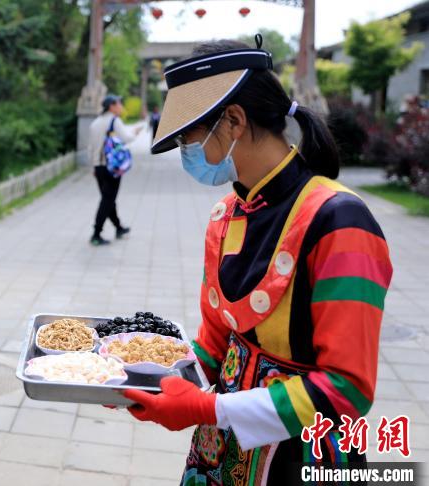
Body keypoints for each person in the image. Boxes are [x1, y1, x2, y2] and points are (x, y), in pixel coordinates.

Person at [121, 38, 393, 485]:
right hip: (221, 451)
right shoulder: (227, 216)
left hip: (305, 456)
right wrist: (148, 378)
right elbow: (215, 339)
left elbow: (347, 388)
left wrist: (209, 407)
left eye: (189, 137)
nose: (188, 153)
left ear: (233, 120)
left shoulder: (340, 222)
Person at [88, 94, 142, 246]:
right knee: (107, 200)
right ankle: (96, 234)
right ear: (111, 106)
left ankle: (118, 228)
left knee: (108, 199)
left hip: (99, 167)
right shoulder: (114, 120)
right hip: (112, 168)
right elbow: (127, 138)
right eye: (119, 103)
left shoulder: (95, 122)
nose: (121, 106)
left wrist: (93, 166)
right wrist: (135, 133)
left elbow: (90, 148)